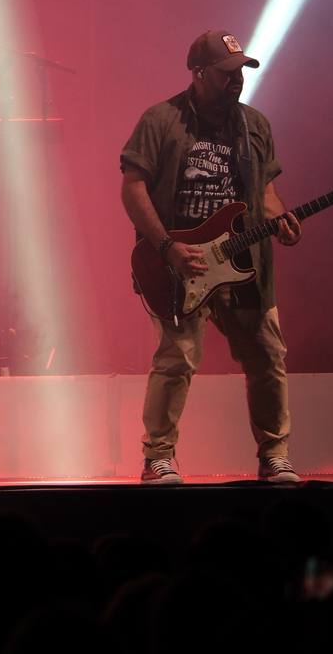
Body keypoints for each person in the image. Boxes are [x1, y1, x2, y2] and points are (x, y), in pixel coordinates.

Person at [119, 30, 303, 484]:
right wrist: (167, 247)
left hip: (245, 265)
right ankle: (157, 457)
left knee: (266, 356)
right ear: (199, 74)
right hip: (180, 263)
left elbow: (265, 190)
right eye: (226, 73)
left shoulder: (254, 125)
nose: (236, 81)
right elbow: (132, 186)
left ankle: (274, 455)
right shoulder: (161, 120)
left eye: (240, 71)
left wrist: (280, 218)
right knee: (178, 358)